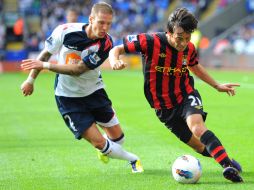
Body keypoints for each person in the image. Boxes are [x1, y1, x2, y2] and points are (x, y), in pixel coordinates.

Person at [108, 7, 243, 182]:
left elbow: (194, 65)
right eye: (179, 38)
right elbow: (116, 49)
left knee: (197, 127)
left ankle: (227, 167)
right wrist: (114, 61)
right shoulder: (150, 41)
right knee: (198, 146)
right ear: (169, 32)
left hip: (186, 94)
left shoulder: (189, 48)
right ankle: (229, 161)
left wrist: (216, 85)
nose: (183, 43)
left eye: (187, 38)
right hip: (163, 107)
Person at [20, 2, 143, 173]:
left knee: (119, 138)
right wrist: (30, 80)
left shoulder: (106, 43)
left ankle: (106, 149)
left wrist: (45, 65)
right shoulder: (65, 31)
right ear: (91, 19)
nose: (105, 27)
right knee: (100, 142)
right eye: (101, 22)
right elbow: (46, 53)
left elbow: (78, 70)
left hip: (94, 91)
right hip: (68, 97)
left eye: (109, 24)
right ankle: (133, 159)